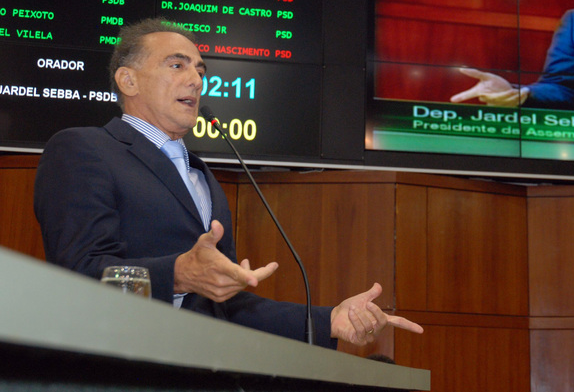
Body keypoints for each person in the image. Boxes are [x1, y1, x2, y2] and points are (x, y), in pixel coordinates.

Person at [34, 18, 423, 348]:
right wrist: (178, 275)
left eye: (200, 70)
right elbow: (80, 273)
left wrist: (329, 320)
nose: (196, 80)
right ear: (128, 80)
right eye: (177, 65)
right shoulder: (84, 148)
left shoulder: (202, 178)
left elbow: (226, 309)